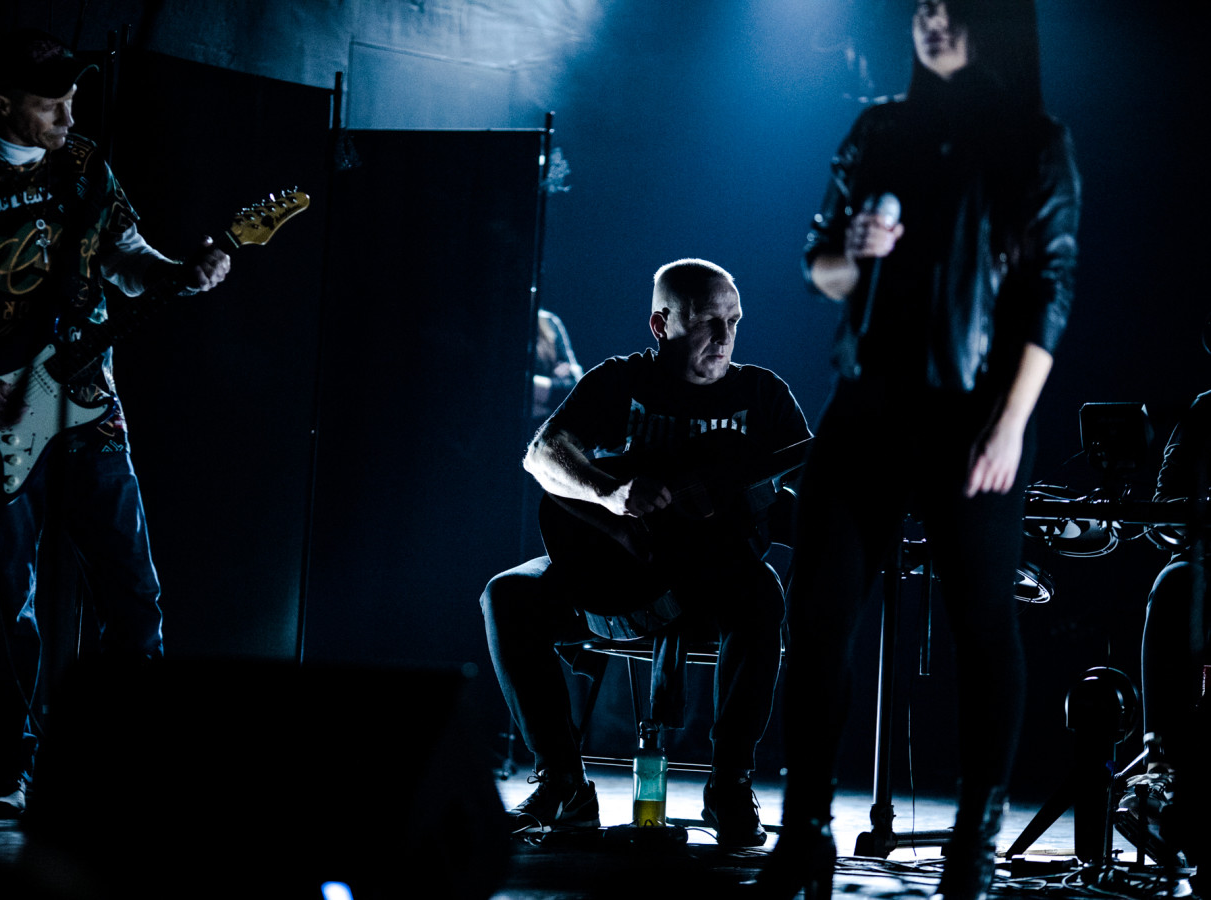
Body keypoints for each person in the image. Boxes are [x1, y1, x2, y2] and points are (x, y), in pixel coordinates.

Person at [758, 2, 1079, 898]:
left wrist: (1012, 423)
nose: (931, 18)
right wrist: (856, 254)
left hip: (975, 415)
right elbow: (820, 263)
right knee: (816, 618)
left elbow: (1051, 290)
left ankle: (974, 843)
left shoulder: (1034, 140)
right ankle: (806, 832)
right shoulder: (880, 128)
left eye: (950, 3)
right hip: (866, 408)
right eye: (920, 4)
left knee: (983, 627)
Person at [0, 29, 230, 816]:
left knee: (133, 587)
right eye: (50, 104)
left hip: (89, 401)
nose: (66, 116)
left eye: (72, 100)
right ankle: (11, 769)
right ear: (3, 104)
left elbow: (125, 255)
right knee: (7, 597)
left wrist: (183, 274)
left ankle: (123, 759)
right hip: (1, 408)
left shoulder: (85, 166)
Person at [481, 259, 810, 846]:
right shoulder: (619, 381)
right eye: (709, 321)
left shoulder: (763, 394)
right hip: (618, 573)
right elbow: (542, 454)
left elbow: (810, 497)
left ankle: (729, 785)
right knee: (507, 594)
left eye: (734, 321)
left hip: (713, 583)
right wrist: (610, 495)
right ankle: (563, 784)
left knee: (762, 593)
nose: (724, 337)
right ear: (661, 324)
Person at [1115, 389, 1208, 878]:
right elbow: (1161, 508)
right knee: (1173, 584)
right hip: (1204, 565)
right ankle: (1163, 771)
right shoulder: (1204, 410)